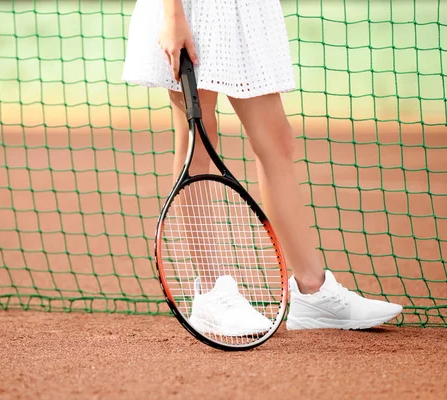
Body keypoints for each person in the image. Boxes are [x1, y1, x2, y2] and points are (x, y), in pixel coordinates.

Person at [122, 0, 403, 332]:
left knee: (277, 138)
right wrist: (173, 15)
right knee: (198, 136)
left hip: (246, 10)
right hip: (190, 9)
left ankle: (313, 292)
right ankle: (212, 294)